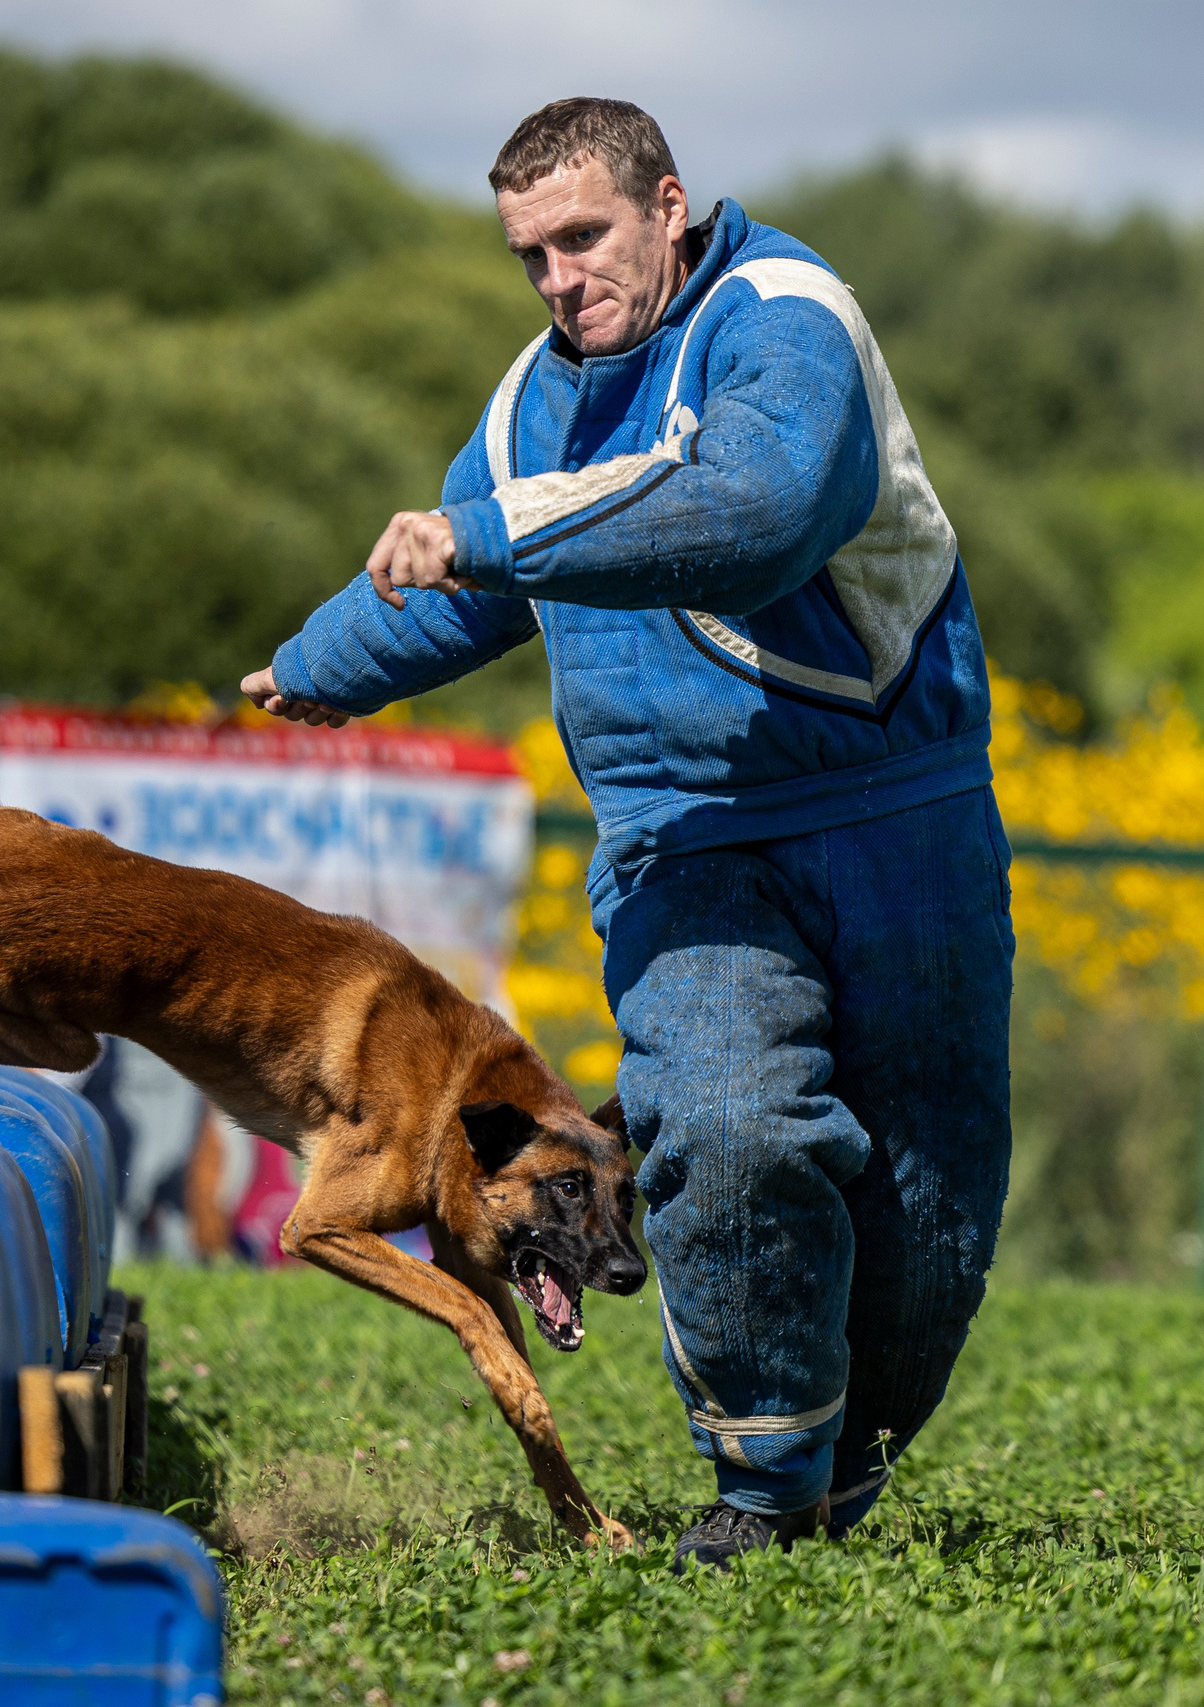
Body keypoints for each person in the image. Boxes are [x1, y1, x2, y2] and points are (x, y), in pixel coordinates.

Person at [240, 97, 1014, 1571]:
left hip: (898, 813)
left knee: (926, 1189)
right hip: (683, 840)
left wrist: (490, 536)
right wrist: (320, 663)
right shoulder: (528, 405)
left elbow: (757, 513)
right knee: (719, 1127)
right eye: (529, 254)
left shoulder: (784, 318)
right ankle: (764, 1485)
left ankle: (846, 1466)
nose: (558, 278)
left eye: (583, 237)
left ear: (668, 206)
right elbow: (464, 580)